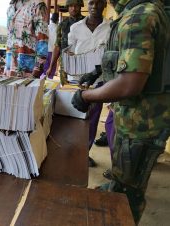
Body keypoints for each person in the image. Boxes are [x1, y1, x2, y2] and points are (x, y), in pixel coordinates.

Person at [71, 0, 169, 223]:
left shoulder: (138, 16)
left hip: (141, 124)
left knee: (127, 197)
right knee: (123, 184)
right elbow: (130, 60)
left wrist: (86, 97)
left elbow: (129, 84)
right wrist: (98, 72)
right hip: (139, 120)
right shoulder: (138, 11)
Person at [68, 0, 111, 167]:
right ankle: (71, 152)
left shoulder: (110, 28)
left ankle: (84, 153)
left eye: (99, 3)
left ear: (105, 6)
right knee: (74, 118)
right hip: (77, 81)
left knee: (92, 119)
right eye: (92, 3)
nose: (95, 7)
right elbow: (69, 51)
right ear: (87, 5)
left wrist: (96, 73)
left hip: (99, 81)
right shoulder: (76, 28)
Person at [5, 0, 48, 77]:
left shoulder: (38, 5)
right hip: (10, 70)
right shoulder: (10, 8)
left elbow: (42, 39)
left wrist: (38, 69)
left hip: (29, 72)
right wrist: (6, 67)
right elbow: (9, 37)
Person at [46, 0, 84, 84]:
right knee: (65, 91)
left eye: (76, 6)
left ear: (80, 6)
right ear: (68, 7)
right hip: (65, 66)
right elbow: (57, 46)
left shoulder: (86, 22)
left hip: (83, 64)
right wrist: (51, 66)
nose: (73, 8)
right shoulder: (62, 25)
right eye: (71, 6)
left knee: (81, 91)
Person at [41, 12, 59, 79]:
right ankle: (49, 81)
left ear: (51, 19)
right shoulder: (58, 29)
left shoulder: (47, 27)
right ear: (57, 20)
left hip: (45, 51)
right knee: (52, 69)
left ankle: (44, 82)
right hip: (54, 51)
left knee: (45, 68)